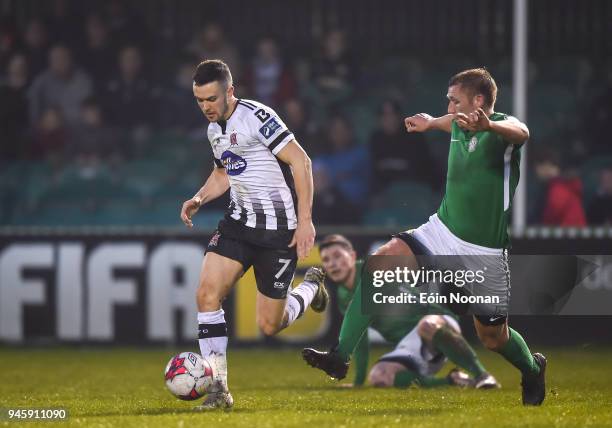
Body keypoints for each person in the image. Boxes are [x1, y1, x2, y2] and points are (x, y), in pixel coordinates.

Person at [303, 68, 547, 406]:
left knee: (493, 337)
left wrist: (489, 125)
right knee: (380, 263)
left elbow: (522, 132)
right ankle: (339, 356)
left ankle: (532, 368)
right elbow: (451, 123)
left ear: (478, 101)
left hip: (484, 252)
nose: (448, 105)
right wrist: (432, 122)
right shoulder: (459, 122)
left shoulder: (502, 129)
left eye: (453, 100)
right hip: (441, 232)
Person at [180, 59, 328, 410]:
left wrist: (305, 220)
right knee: (206, 295)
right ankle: (219, 390)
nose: (206, 107)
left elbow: (301, 161)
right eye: (200, 101)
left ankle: (310, 288)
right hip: (238, 225)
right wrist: (199, 198)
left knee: (268, 325)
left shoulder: (257, 117)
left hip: (279, 233)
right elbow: (223, 173)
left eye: (212, 99)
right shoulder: (214, 130)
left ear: (230, 91)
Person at [304, 235, 499, 389]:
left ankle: (482, 375)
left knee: (427, 325)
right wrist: (358, 381)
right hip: (412, 345)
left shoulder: (374, 270)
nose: (333, 263)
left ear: (353, 256)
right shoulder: (344, 294)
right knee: (380, 377)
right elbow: (357, 339)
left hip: (438, 322)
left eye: (338, 256)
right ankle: (454, 381)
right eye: (327, 260)